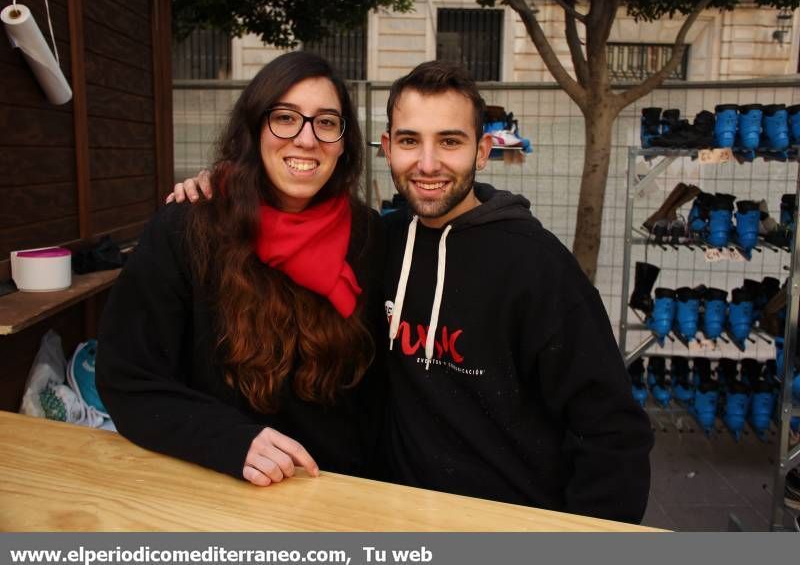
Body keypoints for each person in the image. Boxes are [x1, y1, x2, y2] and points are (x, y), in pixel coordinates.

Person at [172, 61, 654, 524]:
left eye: (450, 141)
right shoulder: (377, 243)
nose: (427, 163)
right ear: (386, 146)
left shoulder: (538, 268)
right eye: (409, 140)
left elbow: (612, 432)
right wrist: (224, 185)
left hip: (509, 521)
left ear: (482, 151)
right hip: (393, 516)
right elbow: (286, 235)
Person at [96, 51, 386, 488]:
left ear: (344, 143)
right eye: (285, 118)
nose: (307, 139)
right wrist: (229, 441)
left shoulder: (370, 236)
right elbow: (127, 377)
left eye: (326, 122)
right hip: (218, 483)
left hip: (336, 490)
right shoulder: (188, 228)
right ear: (255, 128)